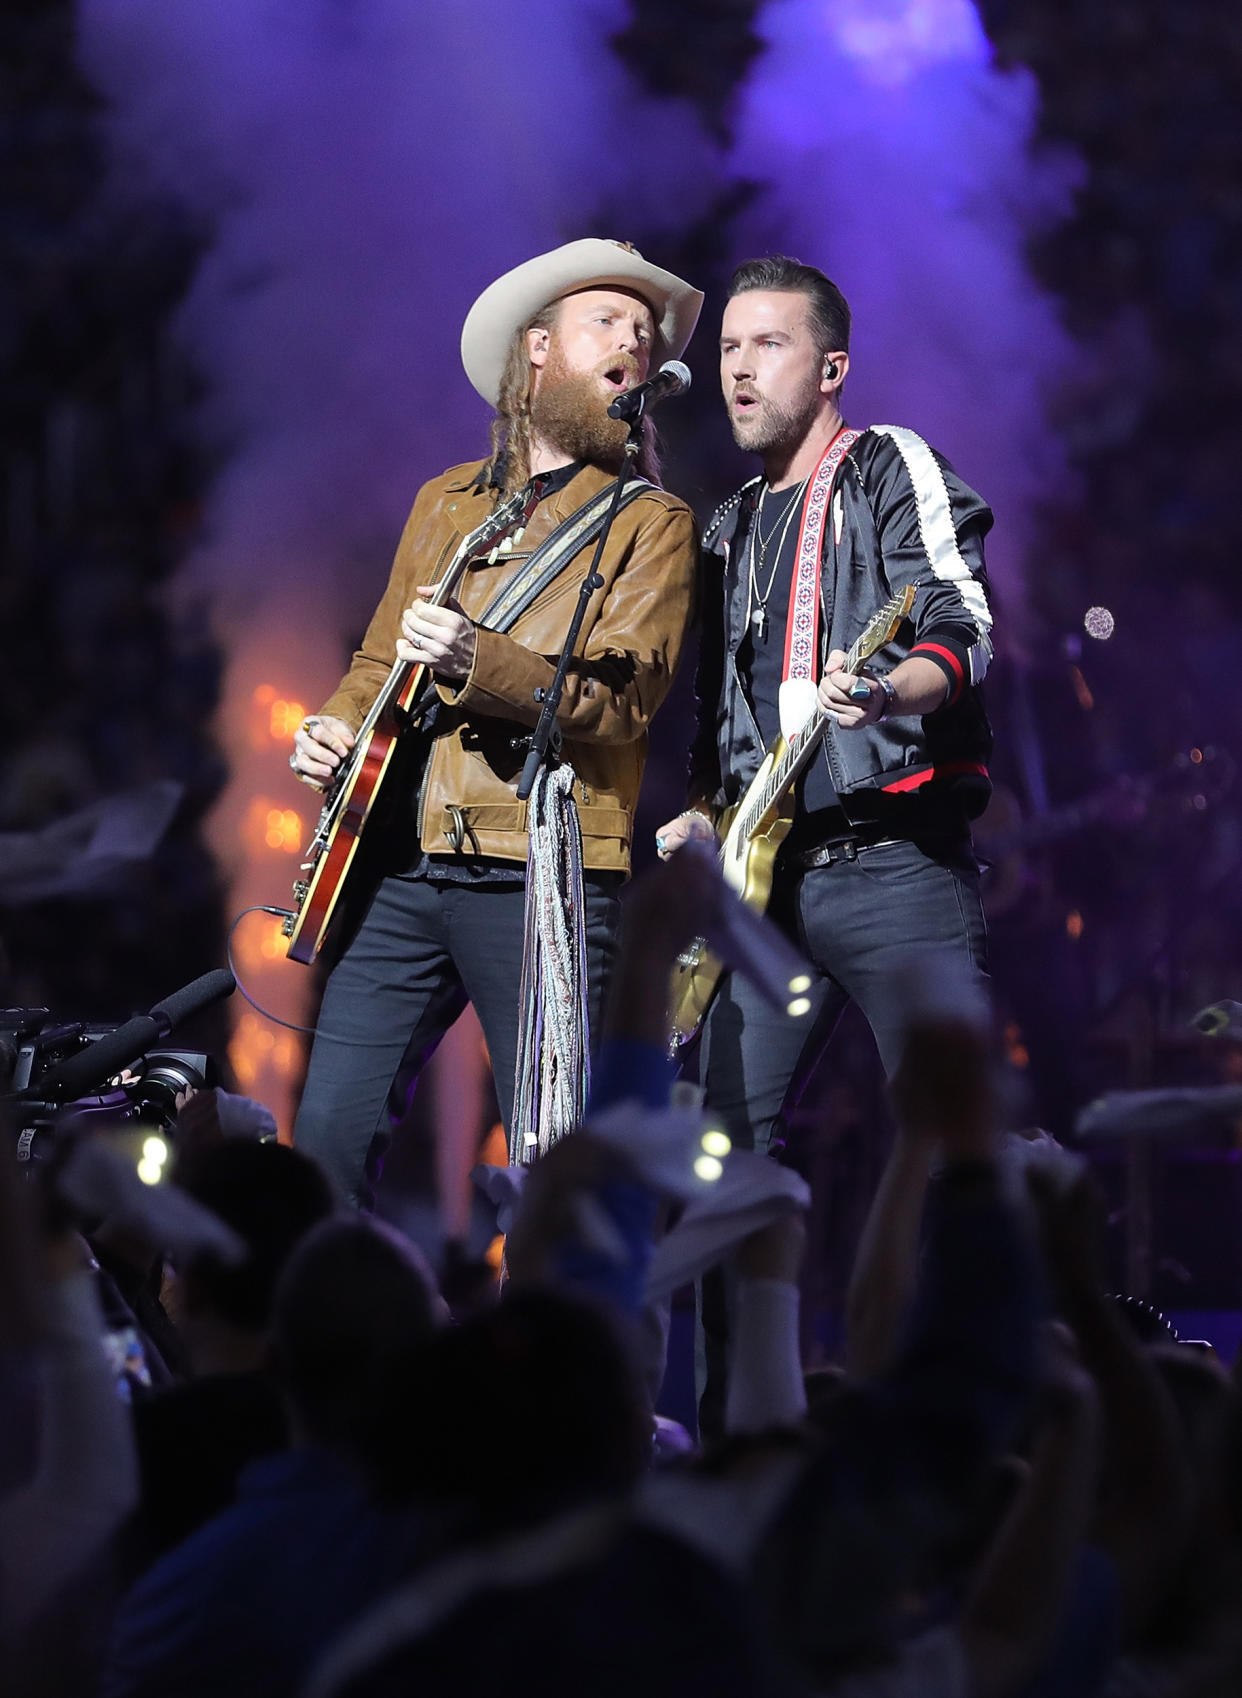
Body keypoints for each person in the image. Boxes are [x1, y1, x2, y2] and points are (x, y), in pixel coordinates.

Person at [656, 254, 995, 1435]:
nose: (738, 369)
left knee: (956, 1144)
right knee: (718, 1164)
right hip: (763, 886)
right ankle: (734, 1443)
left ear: (832, 367)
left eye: (769, 346)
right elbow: (721, 713)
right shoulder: (729, 524)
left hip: (895, 857)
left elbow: (961, 622)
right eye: (731, 348)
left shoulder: (887, 464)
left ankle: (968, 1441)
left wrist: (889, 689)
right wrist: (703, 804)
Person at [289, 239, 702, 1206]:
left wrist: (478, 660)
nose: (634, 345)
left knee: (562, 1163)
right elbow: (376, 660)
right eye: (610, 322)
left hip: (536, 869)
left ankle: (567, 1348)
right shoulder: (444, 501)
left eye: (645, 335)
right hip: (396, 859)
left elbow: (622, 699)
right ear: (539, 349)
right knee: (324, 1150)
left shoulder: (651, 521)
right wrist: (336, 728)